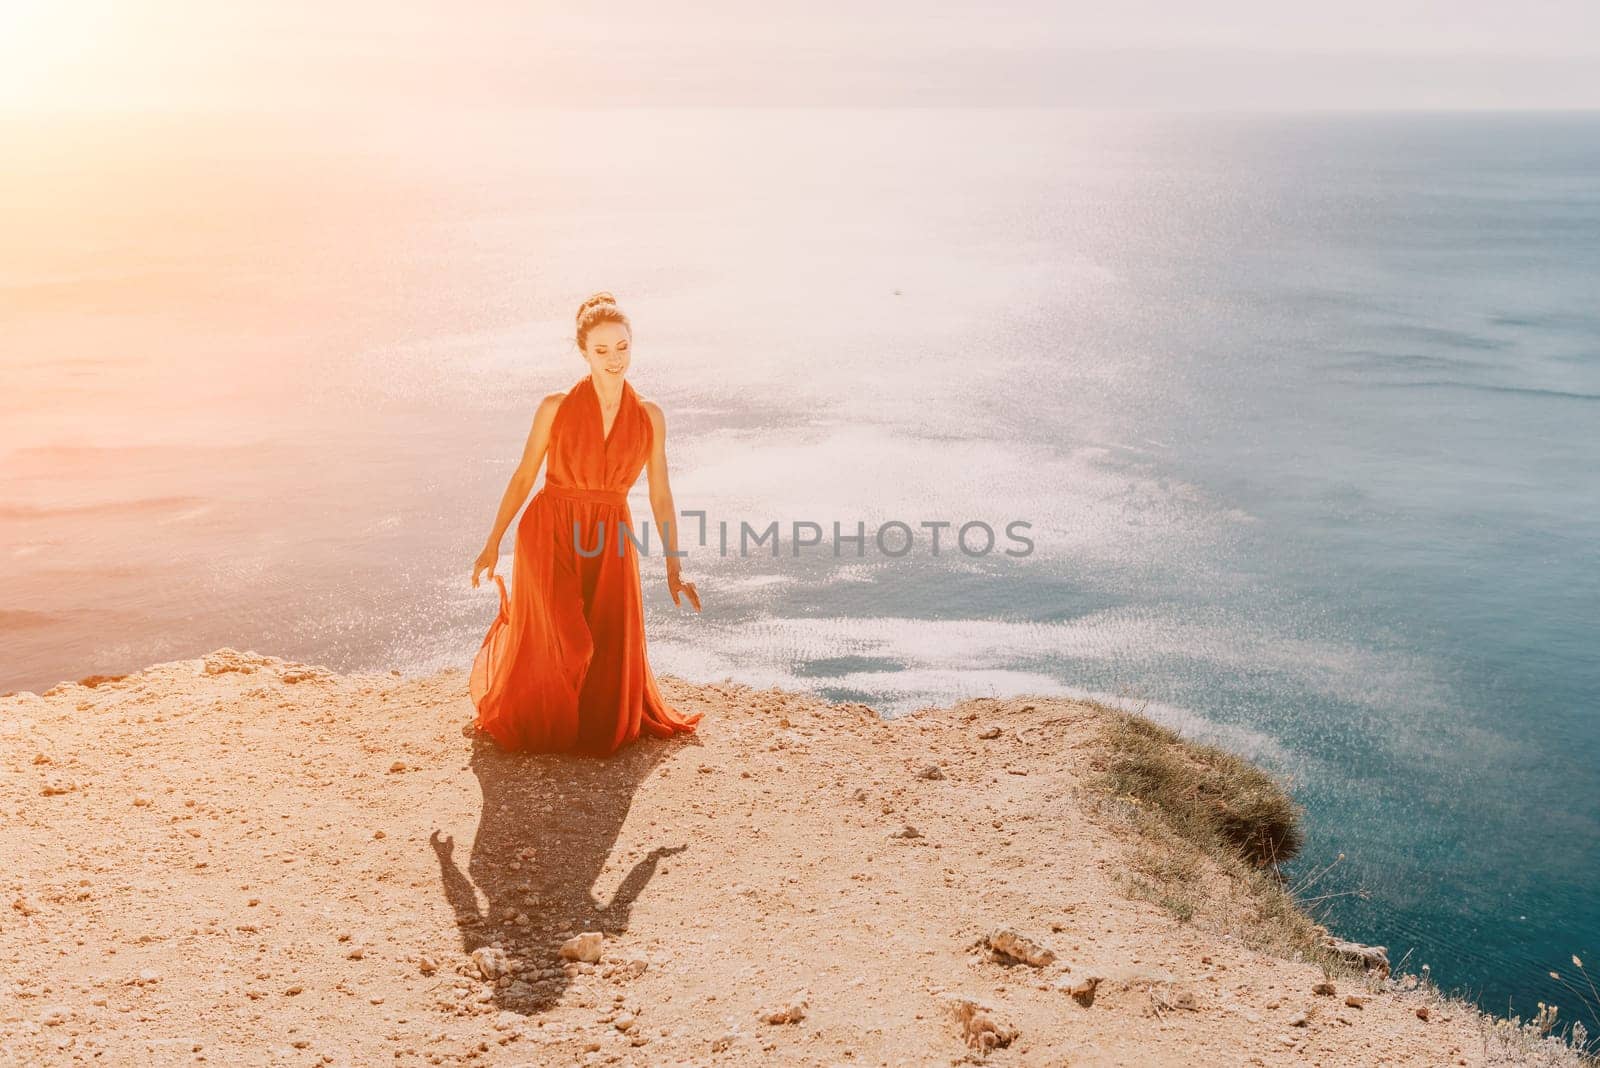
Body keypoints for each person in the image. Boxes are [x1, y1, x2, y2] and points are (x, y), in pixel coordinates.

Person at [468, 292, 703, 755]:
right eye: (601, 350)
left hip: (610, 537)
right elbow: (523, 474)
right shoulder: (555, 407)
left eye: (622, 347)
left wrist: (674, 566)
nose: (614, 359)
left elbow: (660, 494)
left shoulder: (650, 417)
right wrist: (493, 541)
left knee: (607, 647)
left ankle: (580, 727)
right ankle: (538, 715)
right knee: (571, 642)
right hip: (550, 528)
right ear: (583, 353)